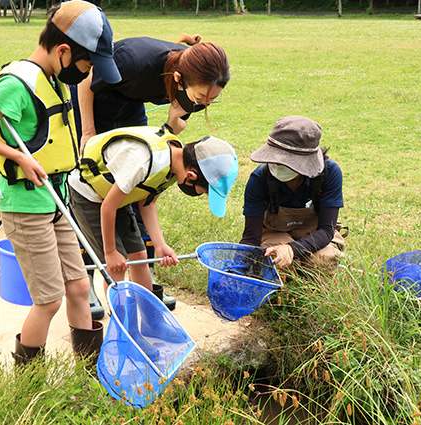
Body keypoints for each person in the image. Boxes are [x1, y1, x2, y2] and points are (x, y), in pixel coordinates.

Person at [0, 0, 121, 366]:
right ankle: (29, 385)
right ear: (64, 51)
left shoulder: (53, 77)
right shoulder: (18, 84)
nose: (87, 72)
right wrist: (18, 156)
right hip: (26, 206)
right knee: (48, 300)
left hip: (56, 199)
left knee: (79, 287)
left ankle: (89, 375)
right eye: (86, 64)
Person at [72, 35, 230, 308]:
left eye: (211, 99)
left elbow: (149, 197)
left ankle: (144, 293)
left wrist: (160, 243)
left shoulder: (170, 160)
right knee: (98, 192)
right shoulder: (133, 62)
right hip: (94, 104)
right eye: (201, 97)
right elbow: (86, 81)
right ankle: (87, 278)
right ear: (179, 77)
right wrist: (88, 131)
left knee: (133, 192)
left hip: (130, 105)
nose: (204, 104)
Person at [69, 125, 238, 298]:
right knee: (115, 267)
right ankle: (122, 319)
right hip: (88, 194)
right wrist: (110, 252)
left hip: (117, 195)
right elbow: (108, 207)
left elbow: (148, 202)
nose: (198, 195)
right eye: (201, 192)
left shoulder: (176, 165)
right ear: (191, 176)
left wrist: (160, 244)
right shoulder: (142, 161)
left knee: (139, 255)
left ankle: (147, 314)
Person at [240, 115, 346, 275]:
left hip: (315, 232)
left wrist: (292, 249)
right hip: (275, 234)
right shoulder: (259, 178)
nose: (276, 166)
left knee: (323, 259)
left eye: (285, 163)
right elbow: (252, 237)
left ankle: (312, 293)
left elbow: (326, 230)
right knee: (274, 259)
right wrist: (241, 266)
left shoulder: (330, 173)